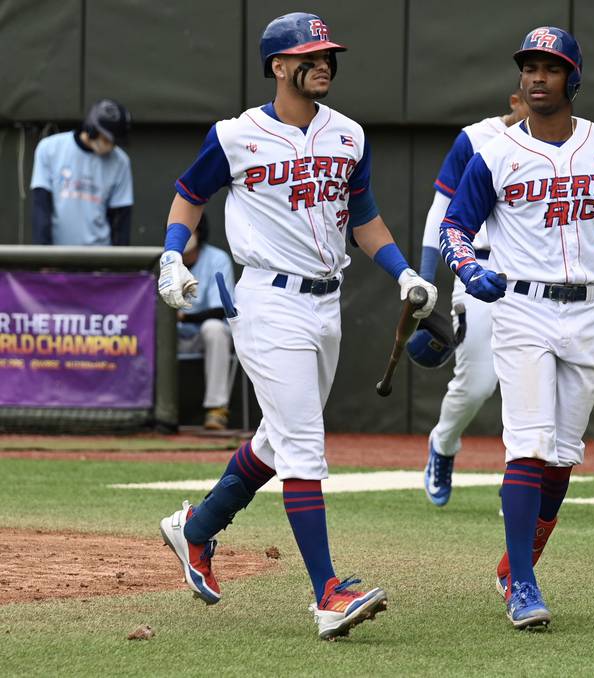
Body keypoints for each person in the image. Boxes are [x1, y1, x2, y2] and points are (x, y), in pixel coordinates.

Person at [157, 12, 437, 640]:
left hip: (326, 303)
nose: (323, 62)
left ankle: (195, 529)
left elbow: (363, 217)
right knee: (305, 446)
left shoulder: (349, 135)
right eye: (310, 54)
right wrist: (173, 253)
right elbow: (188, 194)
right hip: (266, 300)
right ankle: (327, 593)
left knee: (279, 441)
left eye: (328, 53)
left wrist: (401, 273)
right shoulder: (236, 136)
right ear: (279, 66)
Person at [439, 26, 594, 630]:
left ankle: (517, 565)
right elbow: (453, 226)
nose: (537, 78)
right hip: (524, 309)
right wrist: (469, 267)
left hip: (588, 310)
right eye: (529, 68)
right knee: (530, 444)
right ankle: (525, 587)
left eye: (551, 68)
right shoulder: (497, 153)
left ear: (573, 79)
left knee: (562, 458)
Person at [416, 89, 529, 507]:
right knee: (479, 382)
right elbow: (439, 211)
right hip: (477, 267)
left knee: (529, 383)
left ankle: (520, 483)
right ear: (516, 100)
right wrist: (426, 281)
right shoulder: (476, 138)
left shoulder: (560, 145)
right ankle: (443, 444)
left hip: (531, 273)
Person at [30, 98, 133, 246]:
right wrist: (43, 257)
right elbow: (41, 208)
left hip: (100, 258)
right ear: (92, 129)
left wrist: (117, 264)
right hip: (57, 257)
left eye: (114, 142)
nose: (110, 147)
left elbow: (121, 218)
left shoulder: (120, 161)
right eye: (106, 140)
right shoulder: (49, 149)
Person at [176, 214, 236, 430]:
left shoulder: (217, 259)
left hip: (204, 335)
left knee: (215, 329)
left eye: (187, 230)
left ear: (199, 232)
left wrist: (183, 316)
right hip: (172, 337)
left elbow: (220, 310)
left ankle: (216, 410)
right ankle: (149, 408)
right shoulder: (165, 260)